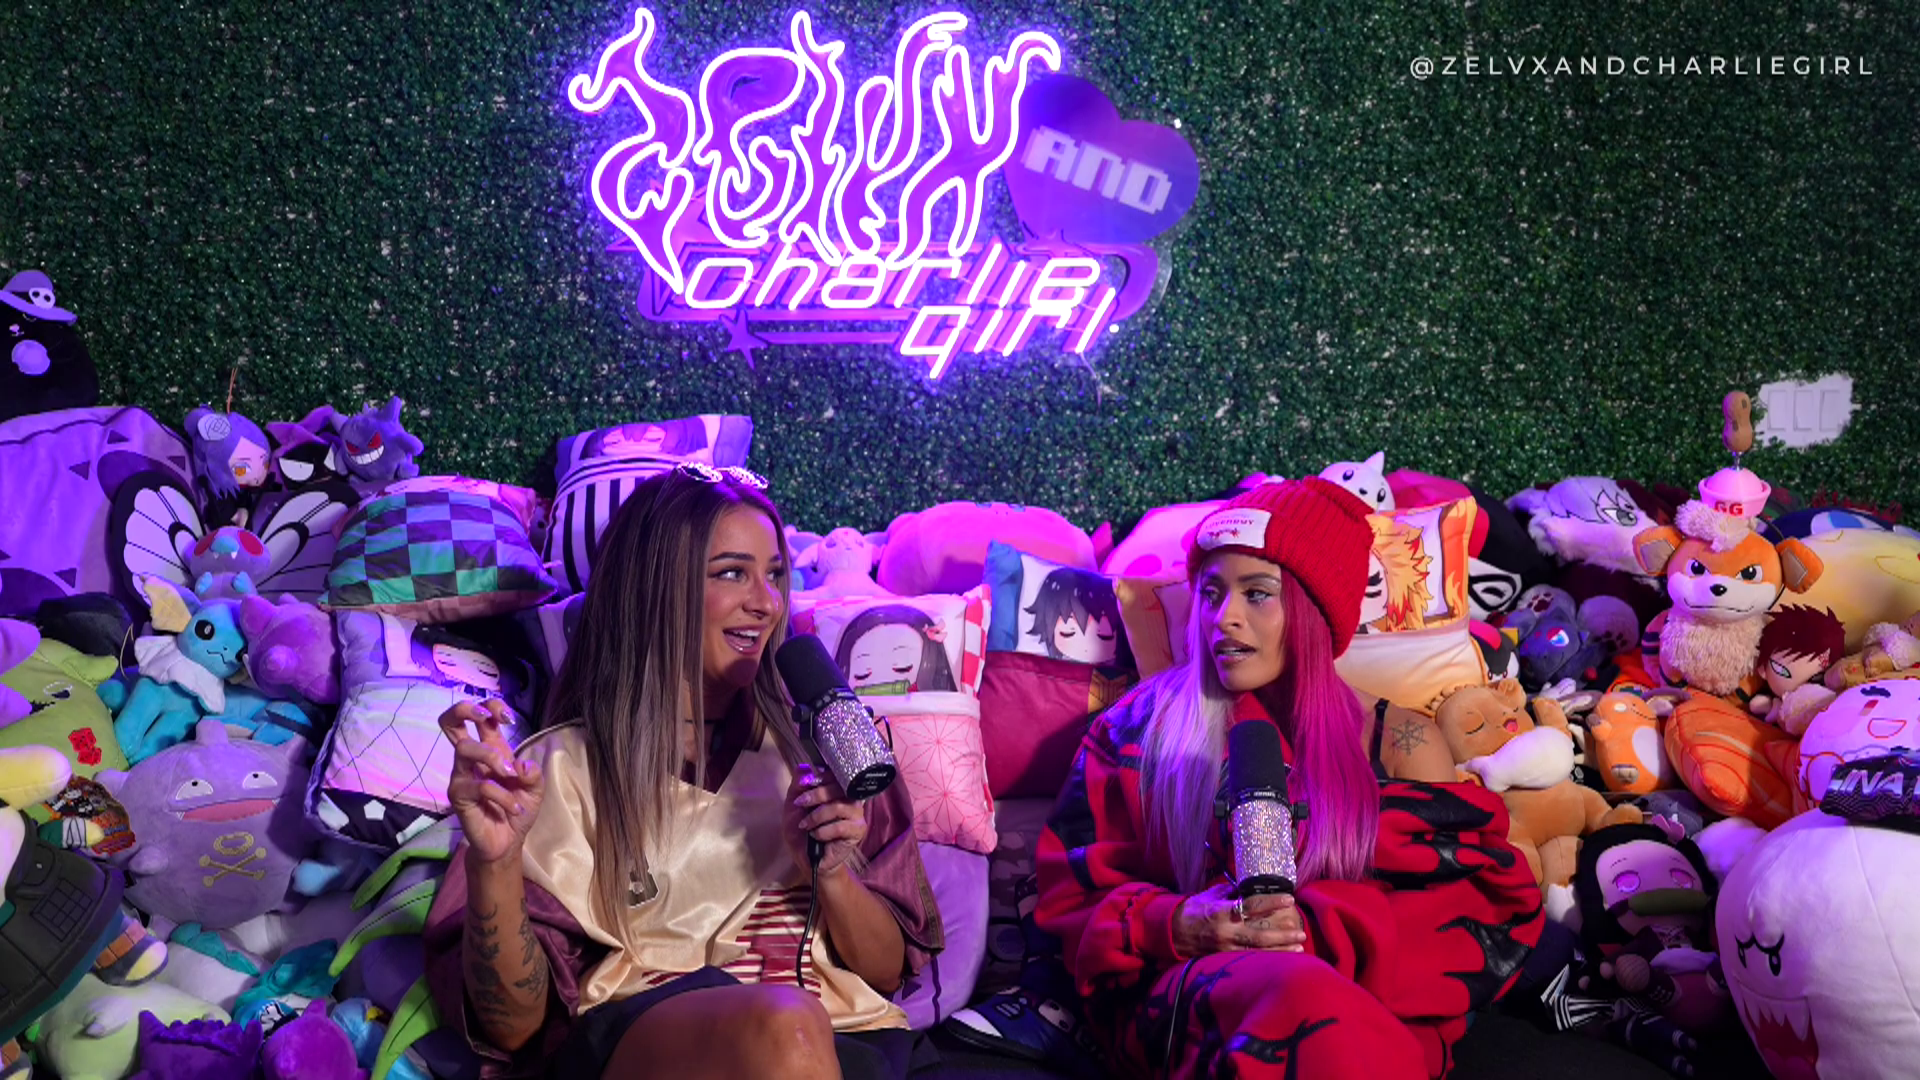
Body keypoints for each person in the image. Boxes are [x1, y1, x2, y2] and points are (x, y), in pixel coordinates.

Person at [422, 465, 942, 1080]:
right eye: (732, 573)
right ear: (653, 592)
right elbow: (512, 1027)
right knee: (787, 1027)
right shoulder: (557, 770)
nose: (767, 602)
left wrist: (831, 876)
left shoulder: (827, 749)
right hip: (648, 1038)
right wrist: (497, 863)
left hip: (849, 1040)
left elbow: (885, 975)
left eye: (775, 574)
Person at [1034, 478, 1544, 1079]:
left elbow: (1458, 918)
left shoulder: (1399, 741)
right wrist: (1175, 924)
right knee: (1301, 996)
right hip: (1195, 1012)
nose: (1224, 618)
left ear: (1312, 609)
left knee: (1320, 1008)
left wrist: (1318, 930)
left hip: (1361, 1021)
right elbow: (1071, 904)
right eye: (1210, 593)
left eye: (1258, 594)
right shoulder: (1138, 730)